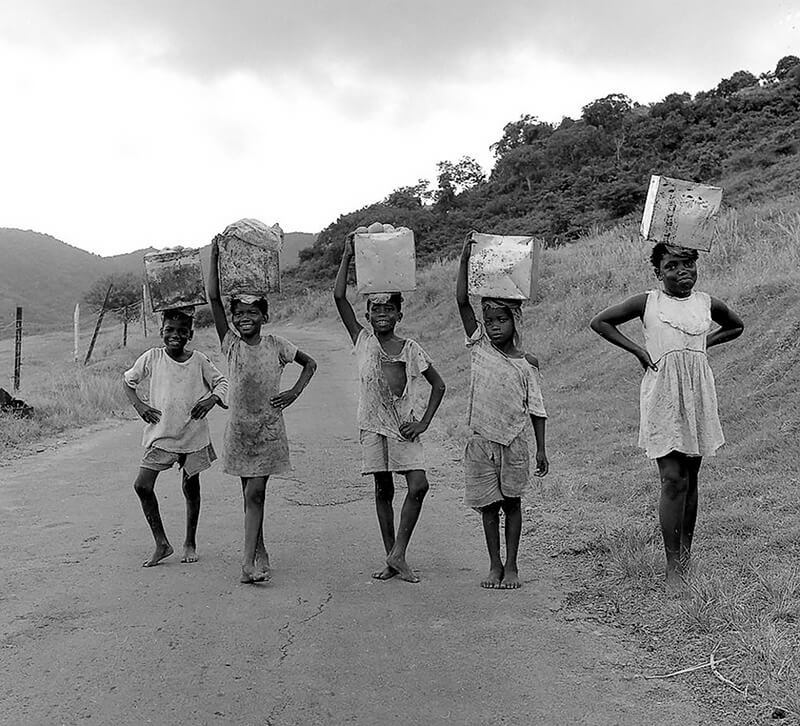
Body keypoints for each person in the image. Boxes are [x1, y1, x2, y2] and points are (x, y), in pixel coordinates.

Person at [590, 242, 744, 586]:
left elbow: (736, 326)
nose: (681, 272)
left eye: (688, 264)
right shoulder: (648, 302)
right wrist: (638, 351)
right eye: (672, 266)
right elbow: (601, 322)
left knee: (691, 479)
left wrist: (705, 346)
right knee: (672, 479)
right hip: (663, 393)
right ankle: (673, 564)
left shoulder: (706, 303)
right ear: (658, 272)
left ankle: (686, 557)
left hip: (697, 393)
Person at [334, 234, 446, 583]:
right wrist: (346, 257)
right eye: (375, 309)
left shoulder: (411, 348)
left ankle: (398, 552)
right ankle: (392, 558)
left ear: (399, 313)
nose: (381, 314)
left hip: (402, 427)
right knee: (383, 490)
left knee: (418, 485)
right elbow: (339, 297)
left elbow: (439, 385)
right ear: (367, 313)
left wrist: (424, 423)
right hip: (371, 425)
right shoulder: (362, 340)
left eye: (388, 309)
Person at [208, 237, 317, 584]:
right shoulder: (231, 345)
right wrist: (214, 256)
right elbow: (213, 298)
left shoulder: (277, 345)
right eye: (239, 314)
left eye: (252, 313)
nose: (244, 319)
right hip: (240, 431)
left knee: (256, 493)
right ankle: (260, 549)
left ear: (264, 316)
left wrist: (293, 393)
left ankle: (246, 564)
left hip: (268, 431)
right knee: (249, 495)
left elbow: (310, 364)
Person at [456, 237, 549, 589]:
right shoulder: (479, 345)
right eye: (489, 320)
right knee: (487, 508)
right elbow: (462, 301)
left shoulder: (526, 365)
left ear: (515, 320)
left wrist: (540, 448)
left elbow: (537, 410)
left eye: (500, 319)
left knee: (512, 504)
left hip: (514, 444)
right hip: (480, 442)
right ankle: (493, 564)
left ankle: (512, 565)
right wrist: (465, 259)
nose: (493, 326)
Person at [124, 307, 229, 567]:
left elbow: (222, 382)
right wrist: (140, 406)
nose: (175, 335)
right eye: (169, 330)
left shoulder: (199, 360)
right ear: (161, 332)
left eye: (182, 331)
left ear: (190, 334)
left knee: (191, 487)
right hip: (161, 434)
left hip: (193, 435)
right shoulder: (152, 357)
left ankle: (190, 542)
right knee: (142, 485)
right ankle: (162, 543)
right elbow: (128, 381)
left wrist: (211, 400)